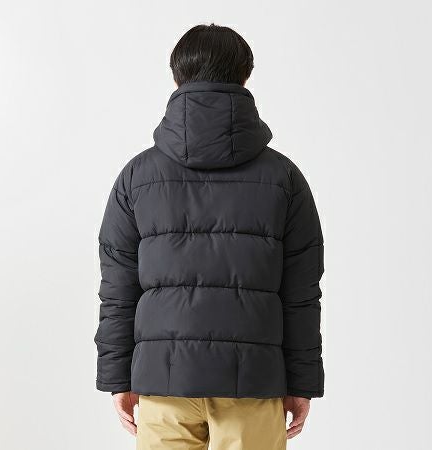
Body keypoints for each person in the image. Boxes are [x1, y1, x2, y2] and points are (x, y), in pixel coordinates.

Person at [95, 23, 324, 450]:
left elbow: (118, 289)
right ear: (245, 77)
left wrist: (117, 376)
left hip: (163, 382)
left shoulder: (136, 177)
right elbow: (301, 293)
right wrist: (302, 381)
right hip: (254, 382)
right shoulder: (284, 178)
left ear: (176, 77)